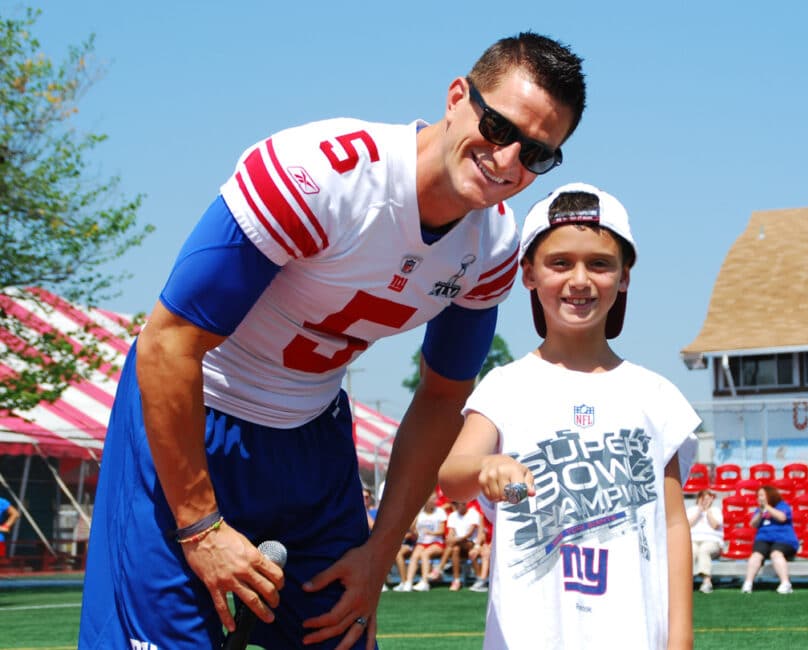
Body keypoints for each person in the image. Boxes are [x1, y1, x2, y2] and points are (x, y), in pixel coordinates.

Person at [78, 32, 586, 650]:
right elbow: (168, 344)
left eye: (537, 153)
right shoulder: (319, 173)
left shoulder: (494, 248)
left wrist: (380, 552)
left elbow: (441, 395)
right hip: (196, 412)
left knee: (343, 634)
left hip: (313, 438)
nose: (509, 161)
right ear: (458, 97)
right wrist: (200, 526)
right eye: (499, 127)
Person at [437, 183, 698, 649]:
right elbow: (454, 479)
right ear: (529, 275)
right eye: (560, 262)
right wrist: (487, 468)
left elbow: (672, 525)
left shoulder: (656, 396)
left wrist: (680, 640)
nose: (580, 280)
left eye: (599, 263)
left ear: (624, 276)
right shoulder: (504, 386)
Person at [741, 485, 798, 594]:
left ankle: (785, 583)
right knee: (756, 555)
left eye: (762, 495)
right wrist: (760, 513)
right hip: (764, 539)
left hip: (783, 539)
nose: (760, 498)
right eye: (758, 496)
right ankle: (748, 583)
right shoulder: (759, 509)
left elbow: (782, 518)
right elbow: (753, 524)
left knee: (776, 554)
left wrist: (768, 507)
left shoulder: (782, 505)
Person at [397, 493, 447, 592]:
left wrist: (431, 532)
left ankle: (424, 582)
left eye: (435, 499)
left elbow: (442, 531)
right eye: (432, 499)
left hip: (436, 542)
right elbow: (413, 529)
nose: (435, 501)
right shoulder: (420, 513)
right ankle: (409, 582)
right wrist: (416, 516)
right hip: (422, 542)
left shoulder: (440, 512)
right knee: (414, 556)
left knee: (425, 554)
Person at [436, 500, 482, 590]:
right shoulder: (453, 515)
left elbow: (469, 533)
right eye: (455, 504)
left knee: (454, 546)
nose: (456, 505)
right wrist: (450, 538)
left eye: (458, 503)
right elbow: (451, 532)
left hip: (470, 543)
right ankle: (456, 580)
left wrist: (454, 539)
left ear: (465, 504)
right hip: (458, 544)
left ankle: (440, 569)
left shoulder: (473, 513)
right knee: (455, 549)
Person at [686, 489, 723, 593]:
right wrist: (699, 511)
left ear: (712, 499)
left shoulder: (716, 510)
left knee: (704, 550)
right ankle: (688, 581)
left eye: (708, 498)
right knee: (691, 550)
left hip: (712, 540)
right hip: (693, 540)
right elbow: (687, 525)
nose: (705, 501)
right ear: (698, 499)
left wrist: (707, 512)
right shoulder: (692, 510)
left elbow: (715, 525)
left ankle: (707, 581)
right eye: (703, 498)